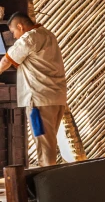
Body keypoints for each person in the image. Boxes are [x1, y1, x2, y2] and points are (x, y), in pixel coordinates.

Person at [0, 12, 67, 166]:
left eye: (13, 33)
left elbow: (6, 60)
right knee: (48, 143)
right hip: (56, 99)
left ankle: (47, 186)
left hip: (38, 102)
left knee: (44, 147)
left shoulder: (28, 38)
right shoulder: (49, 36)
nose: (15, 37)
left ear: (20, 26)